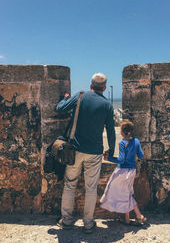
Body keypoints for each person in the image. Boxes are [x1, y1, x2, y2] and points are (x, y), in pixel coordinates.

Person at [56, 73, 116, 233]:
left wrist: (64, 98)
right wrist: (110, 150)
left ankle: (67, 221)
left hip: (75, 150)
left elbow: (60, 109)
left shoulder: (80, 96)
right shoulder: (107, 105)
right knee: (91, 188)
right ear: (104, 88)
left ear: (91, 85)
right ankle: (88, 224)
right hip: (95, 152)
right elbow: (111, 130)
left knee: (70, 184)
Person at [100, 119, 147, 225]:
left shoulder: (122, 143)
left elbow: (121, 160)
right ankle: (129, 218)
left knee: (113, 190)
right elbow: (141, 156)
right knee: (126, 194)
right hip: (132, 170)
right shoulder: (136, 141)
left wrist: (109, 158)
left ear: (122, 132)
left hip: (122, 171)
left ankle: (137, 216)